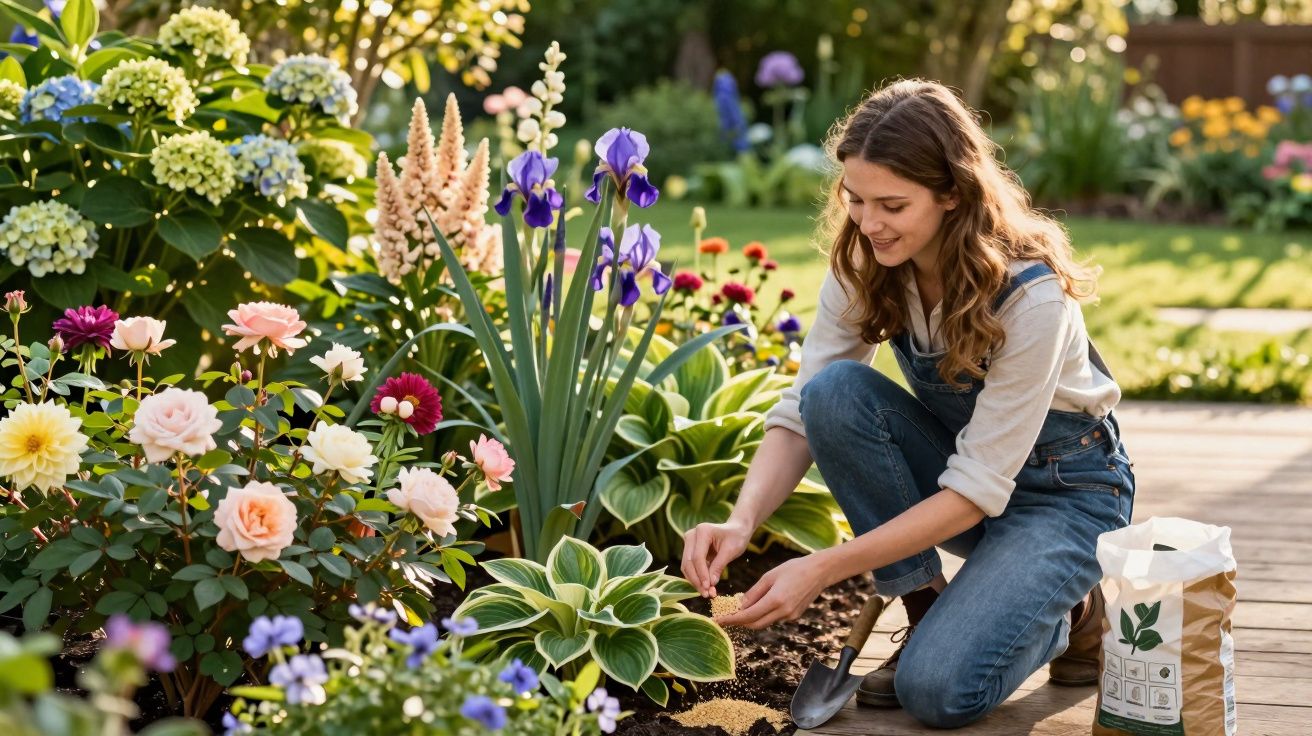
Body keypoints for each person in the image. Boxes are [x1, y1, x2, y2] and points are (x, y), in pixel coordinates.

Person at [680, 78, 1135, 729]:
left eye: (892, 204)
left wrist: (823, 568)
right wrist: (742, 520)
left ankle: (1073, 613)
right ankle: (927, 610)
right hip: (964, 471)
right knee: (832, 395)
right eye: (855, 200)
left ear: (953, 193)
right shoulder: (868, 260)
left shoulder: (1031, 296)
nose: (868, 222)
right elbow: (803, 411)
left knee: (939, 693)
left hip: (1064, 494)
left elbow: (978, 488)